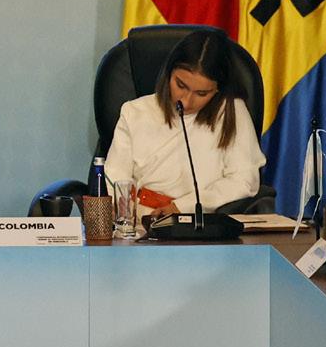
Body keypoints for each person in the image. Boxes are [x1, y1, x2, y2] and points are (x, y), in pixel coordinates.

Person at [104, 29, 264, 216]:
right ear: (169, 73)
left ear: (218, 90)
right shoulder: (134, 112)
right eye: (180, 85)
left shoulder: (231, 112)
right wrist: (125, 218)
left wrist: (182, 207)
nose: (186, 101)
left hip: (202, 222)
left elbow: (244, 180)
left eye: (202, 93)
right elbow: (116, 179)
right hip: (140, 220)